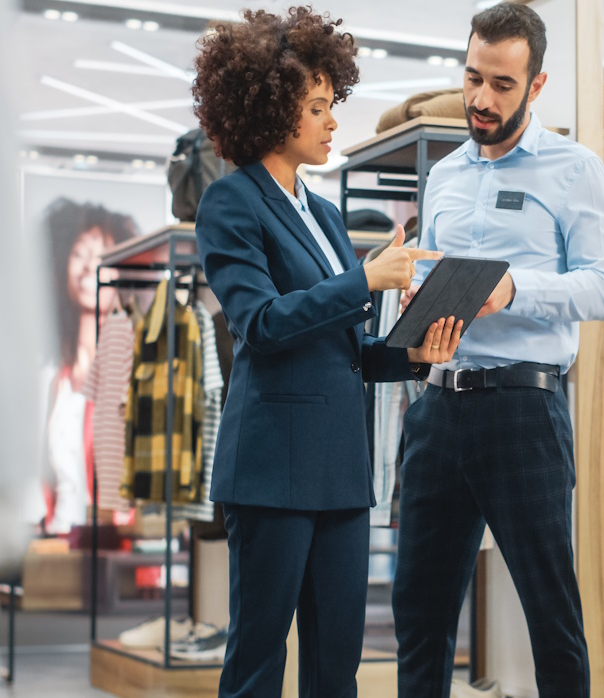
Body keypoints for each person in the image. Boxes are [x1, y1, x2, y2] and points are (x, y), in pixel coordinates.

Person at [190, 7, 460, 697]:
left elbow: (347, 350)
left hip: (340, 474)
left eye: (329, 104)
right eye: (317, 108)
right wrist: (365, 278)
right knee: (256, 663)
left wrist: (414, 356)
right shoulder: (230, 202)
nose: (332, 121)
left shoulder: (328, 216)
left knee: (337, 666)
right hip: (272, 473)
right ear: (275, 110)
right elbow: (262, 323)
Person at [391, 3, 604, 696]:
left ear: (537, 85)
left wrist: (512, 289)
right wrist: (415, 301)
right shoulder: (444, 176)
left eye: (501, 85)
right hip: (436, 411)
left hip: (524, 410)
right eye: (473, 79)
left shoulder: (574, 170)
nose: (481, 99)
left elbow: (603, 289)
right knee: (418, 614)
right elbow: (432, 273)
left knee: (551, 614)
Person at [41, 198, 136, 534]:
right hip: (58, 543)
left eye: (102, 258)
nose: (88, 269)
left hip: (112, 551)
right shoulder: (55, 381)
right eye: (79, 254)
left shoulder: (130, 371)